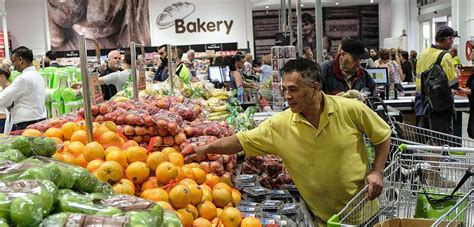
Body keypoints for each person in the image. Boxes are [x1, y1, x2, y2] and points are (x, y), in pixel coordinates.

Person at [187, 58, 391, 225]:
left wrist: (377, 171)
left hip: (363, 210)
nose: (287, 96)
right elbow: (241, 141)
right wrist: (205, 148)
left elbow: (382, 135)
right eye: (284, 89)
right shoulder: (280, 125)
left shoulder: (350, 109)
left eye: (293, 89)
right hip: (322, 219)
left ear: (315, 87)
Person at [415, 25, 459, 133]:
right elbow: (452, 83)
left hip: (421, 100)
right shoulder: (445, 56)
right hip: (439, 102)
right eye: (452, 39)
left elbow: (418, 77)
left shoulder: (422, 54)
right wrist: (456, 74)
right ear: (448, 39)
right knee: (442, 137)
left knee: (427, 135)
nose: (452, 42)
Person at [0, 46, 46, 130]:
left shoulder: (23, 78)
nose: (13, 66)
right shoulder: (38, 75)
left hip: (26, 124)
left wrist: (10, 102)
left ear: (20, 60)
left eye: (14, 62)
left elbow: (2, 99)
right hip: (40, 120)